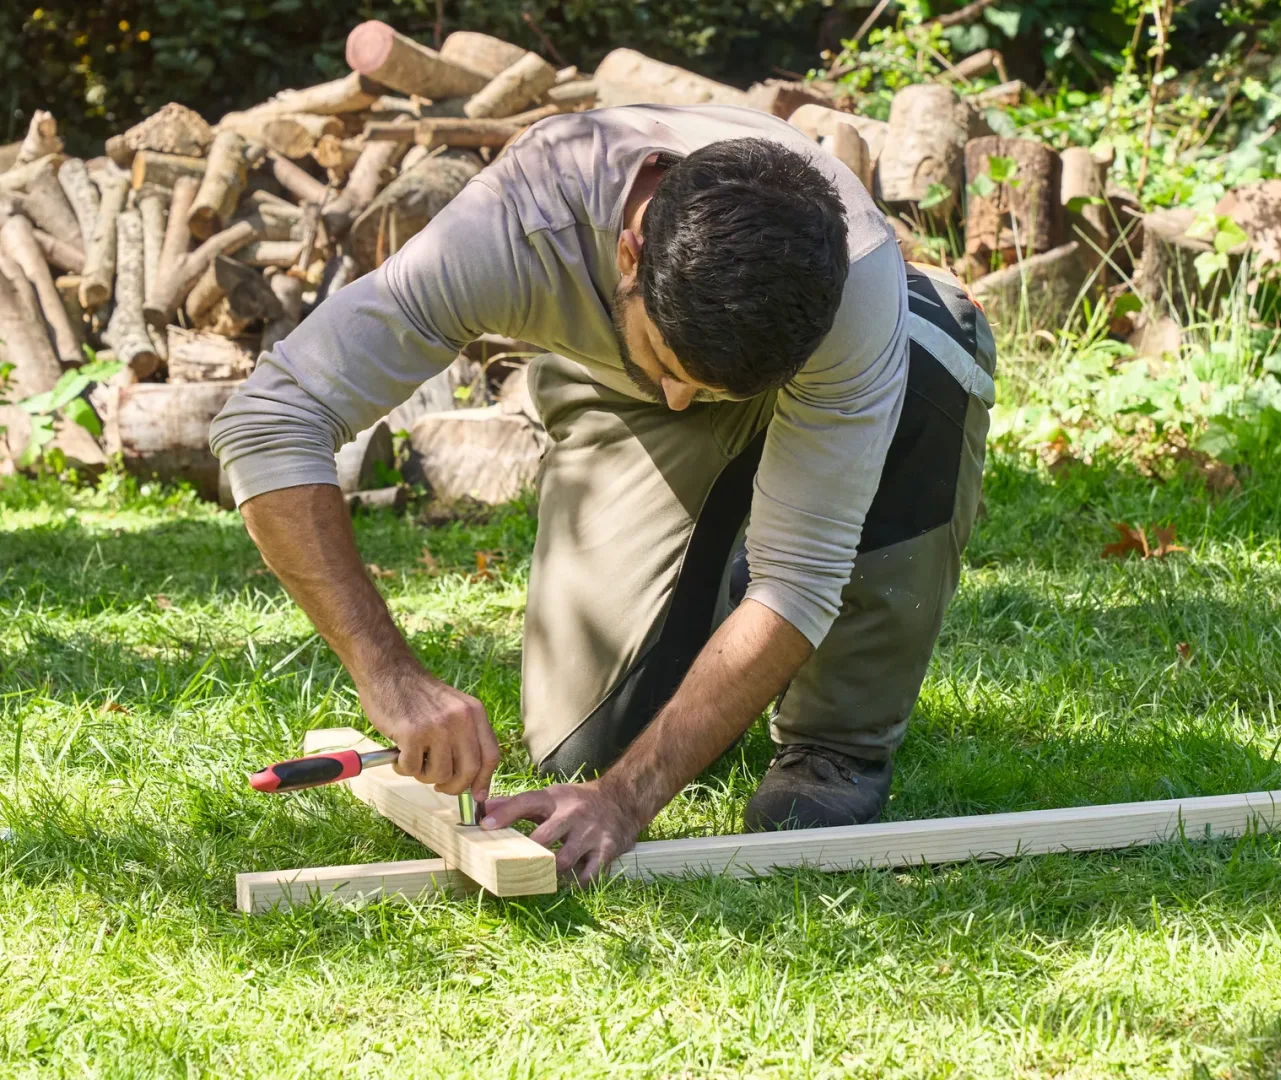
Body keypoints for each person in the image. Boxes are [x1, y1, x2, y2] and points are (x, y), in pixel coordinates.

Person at [211, 104, 995, 883]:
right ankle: (726, 580)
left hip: (833, 373)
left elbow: (801, 578)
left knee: (925, 374)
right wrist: (390, 676)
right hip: (618, 390)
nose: (685, 399)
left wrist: (627, 798)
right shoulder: (515, 227)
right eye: (671, 360)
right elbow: (271, 420)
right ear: (630, 254)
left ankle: (838, 739)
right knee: (588, 744)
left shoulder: (854, 291)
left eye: (699, 384)